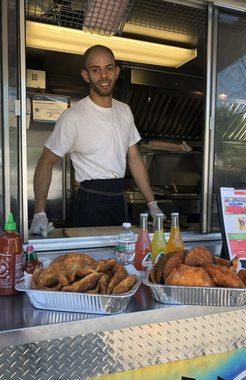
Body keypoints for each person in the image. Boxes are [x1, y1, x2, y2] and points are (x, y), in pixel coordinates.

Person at [30, 45, 163, 236]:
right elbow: (46, 162)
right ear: (86, 75)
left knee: (120, 261)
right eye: (95, 70)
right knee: (90, 263)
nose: (103, 75)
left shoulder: (125, 111)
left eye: (109, 68)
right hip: (90, 202)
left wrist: (152, 204)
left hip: (119, 199)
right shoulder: (72, 117)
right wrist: (39, 212)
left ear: (116, 72)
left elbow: (134, 159)